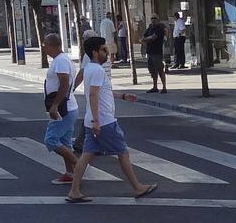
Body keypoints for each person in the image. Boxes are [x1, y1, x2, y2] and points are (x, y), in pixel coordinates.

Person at [65, 36, 157, 203]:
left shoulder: (89, 69)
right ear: (95, 52)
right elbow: (93, 95)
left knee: (86, 156)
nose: (107, 53)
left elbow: (101, 92)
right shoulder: (98, 70)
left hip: (93, 120)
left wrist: (122, 96)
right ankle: (137, 187)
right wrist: (96, 121)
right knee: (123, 152)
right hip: (104, 121)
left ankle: (74, 191)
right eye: (104, 50)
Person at [39, 33, 80, 184]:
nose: (44, 48)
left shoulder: (61, 61)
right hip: (68, 107)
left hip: (64, 108)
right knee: (65, 141)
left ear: (51, 45)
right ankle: (70, 173)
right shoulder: (61, 60)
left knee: (51, 140)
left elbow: (64, 83)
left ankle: (79, 165)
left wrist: (55, 105)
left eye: (45, 45)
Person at [142, 16, 168, 93]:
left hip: (157, 53)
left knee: (160, 70)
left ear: (157, 19)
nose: (153, 20)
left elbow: (153, 37)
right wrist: (146, 39)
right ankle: (155, 86)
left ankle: (164, 87)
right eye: (152, 18)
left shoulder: (159, 29)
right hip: (150, 52)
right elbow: (143, 37)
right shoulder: (149, 28)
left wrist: (146, 39)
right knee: (152, 71)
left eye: (155, 18)